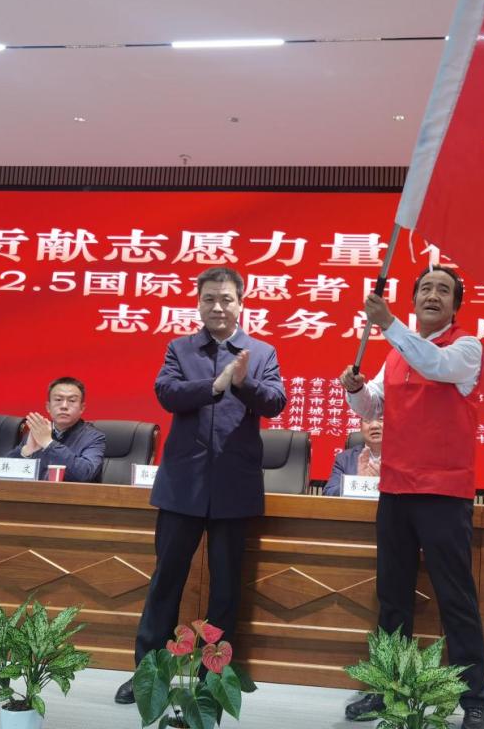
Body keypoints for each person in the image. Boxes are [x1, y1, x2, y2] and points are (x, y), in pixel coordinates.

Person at [115, 267, 286, 705]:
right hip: (182, 485)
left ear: (240, 303)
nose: (218, 307)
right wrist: (214, 386)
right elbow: (166, 392)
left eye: (226, 299)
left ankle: (215, 678)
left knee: (225, 588)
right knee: (166, 581)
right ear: (198, 303)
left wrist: (243, 383)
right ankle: (148, 674)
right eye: (209, 298)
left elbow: (276, 402)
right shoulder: (180, 348)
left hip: (234, 486)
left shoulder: (261, 352)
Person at [339, 266, 484, 729]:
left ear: (455, 305)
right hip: (396, 489)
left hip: (444, 493)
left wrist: (388, 323)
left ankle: (475, 700)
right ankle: (387, 688)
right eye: (425, 288)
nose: (433, 295)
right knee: (392, 597)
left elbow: (436, 365)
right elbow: (373, 405)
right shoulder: (396, 355)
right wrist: (355, 390)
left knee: (455, 598)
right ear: (414, 299)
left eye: (443, 290)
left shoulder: (466, 347)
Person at [5, 377, 106, 482]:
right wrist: (25, 452)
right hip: (36, 492)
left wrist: (49, 444)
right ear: (48, 407)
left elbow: (85, 474)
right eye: (58, 400)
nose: (64, 406)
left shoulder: (94, 437)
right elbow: (3, 471)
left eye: (72, 400)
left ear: (82, 408)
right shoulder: (38, 431)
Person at [324, 418, 383, 496]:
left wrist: (384, 483)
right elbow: (329, 492)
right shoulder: (344, 459)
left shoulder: (400, 459)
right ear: (361, 427)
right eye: (368, 420)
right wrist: (358, 482)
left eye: (381, 419)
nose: (374, 426)